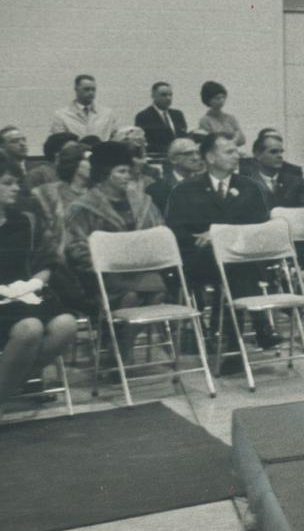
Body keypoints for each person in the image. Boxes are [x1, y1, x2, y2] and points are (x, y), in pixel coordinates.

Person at [165, 132, 279, 364]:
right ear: (210, 157)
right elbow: (176, 232)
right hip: (198, 261)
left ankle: (226, 338)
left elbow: (261, 228)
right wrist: (214, 239)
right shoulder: (185, 191)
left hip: (240, 259)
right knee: (231, 261)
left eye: (237, 150)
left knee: (233, 262)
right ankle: (259, 325)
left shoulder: (250, 188)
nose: (237, 155)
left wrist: (219, 235)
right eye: (229, 151)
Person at [63, 140, 168, 329]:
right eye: (121, 171)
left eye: (129, 171)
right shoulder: (81, 208)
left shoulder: (143, 202)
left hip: (143, 269)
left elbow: (160, 234)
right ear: (104, 174)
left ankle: (118, 347)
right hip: (102, 275)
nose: (128, 176)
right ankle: (120, 349)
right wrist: (112, 259)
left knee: (157, 291)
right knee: (131, 296)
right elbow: (75, 247)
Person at [0, 161, 77, 407]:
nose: (15, 189)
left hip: (24, 295)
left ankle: (13, 382)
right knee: (30, 328)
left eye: (16, 183)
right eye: (7, 183)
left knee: (66, 324)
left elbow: (48, 260)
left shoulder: (27, 221)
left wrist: (33, 283)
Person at [242, 131, 304, 318]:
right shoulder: (246, 182)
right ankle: (281, 292)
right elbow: (248, 214)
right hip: (261, 239)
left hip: (291, 236)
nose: (280, 156)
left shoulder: (294, 180)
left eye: (281, 151)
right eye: (273, 152)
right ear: (258, 155)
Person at [50, 74, 118, 141]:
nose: (91, 92)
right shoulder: (61, 115)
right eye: (86, 89)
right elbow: (59, 143)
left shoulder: (107, 114)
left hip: (101, 151)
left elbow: (114, 138)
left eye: (93, 89)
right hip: (76, 152)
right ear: (76, 89)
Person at [146, 137, 204, 215]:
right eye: (188, 154)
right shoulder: (156, 190)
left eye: (198, 153)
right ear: (173, 159)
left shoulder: (208, 185)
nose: (196, 158)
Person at [134, 82, 189, 160]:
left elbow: (183, 136)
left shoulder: (178, 115)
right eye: (163, 95)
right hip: (159, 158)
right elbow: (145, 143)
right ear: (153, 96)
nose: (168, 98)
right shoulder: (143, 116)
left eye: (170, 95)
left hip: (180, 159)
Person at [198, 81, 245, 148]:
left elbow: (242, 140)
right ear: (209, 100)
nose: (221, 100)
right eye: (217, 98)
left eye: (223, 97)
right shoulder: (205, 120)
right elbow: (208, 142)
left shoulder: (231, 118)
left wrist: (234, 141)